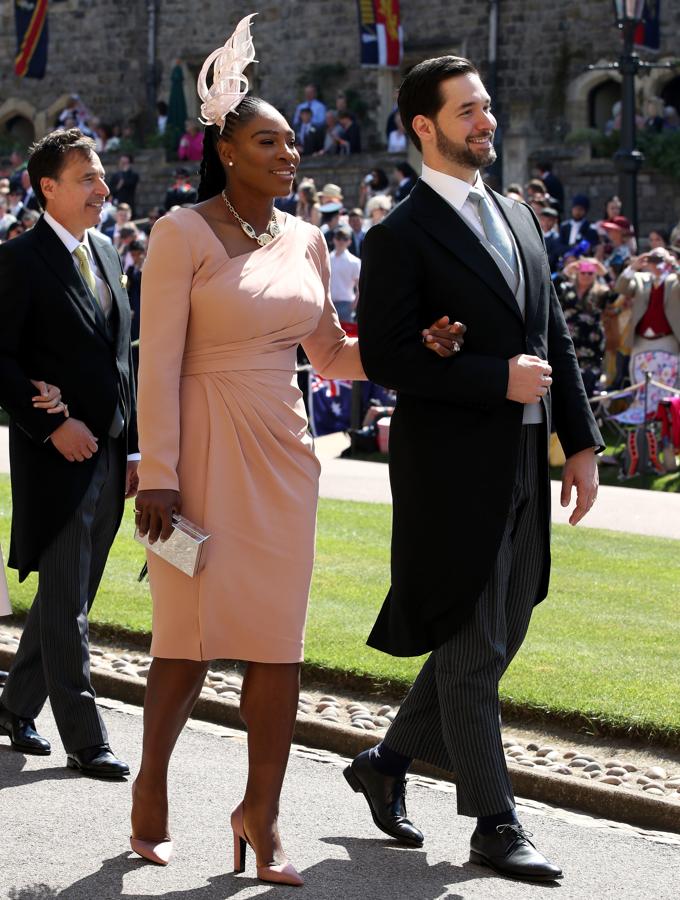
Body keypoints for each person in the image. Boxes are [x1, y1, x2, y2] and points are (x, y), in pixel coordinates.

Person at [129, 20, 460, 880]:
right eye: (268, 141)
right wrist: (156, 474)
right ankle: (150, 787)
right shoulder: (180, 234)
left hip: (284, 453)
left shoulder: (307, 239)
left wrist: (415, 346)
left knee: (279, 642)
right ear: (227, 150)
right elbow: (156, 365)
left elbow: (336, 356)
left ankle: (261, 815)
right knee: (184, 643)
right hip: (196, 455)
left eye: (291, 142)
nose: (290, 154)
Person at [347, 55, 602, 884]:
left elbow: (554, 336)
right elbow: (385, 357)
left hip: (527, 461)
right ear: (425, 126)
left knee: (497, 636)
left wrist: (584, 443)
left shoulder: (519, 215)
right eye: (468, 110)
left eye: (487, 106)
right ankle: (495, 821)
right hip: (449, 474)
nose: (485, 120)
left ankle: (387, 763)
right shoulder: (396, 235)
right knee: (472, 646)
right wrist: (493, 377)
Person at [0, 128, 138, 776]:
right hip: (54, 460)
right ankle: (86, 736)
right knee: (67, 601)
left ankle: (12, 705)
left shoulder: (107, 251)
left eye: (102, 176)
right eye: (88, 179)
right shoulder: (21, 260)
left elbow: (120, 360)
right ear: (47, 187)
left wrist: (133, 450)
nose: (103, 190)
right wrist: (46, 424)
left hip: (109, 454)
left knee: (70, 595)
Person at [556, 258, 614, 396]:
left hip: (591, 345)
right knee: (565, 381)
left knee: (588, 382)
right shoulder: (566, 289)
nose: (586, 276)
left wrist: (604, 273)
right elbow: (549, 288)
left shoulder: (601, 292)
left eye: (590, 273)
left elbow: (615, 296)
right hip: (569, 342)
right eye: (583, 272)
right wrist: (565, 272)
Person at [329, 225, 361, 322]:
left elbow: (360, 286)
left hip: (346, 303)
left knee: (345, 334)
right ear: (334, 240)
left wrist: (354, 304)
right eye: (338, 238)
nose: (341, 241)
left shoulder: (354, 261)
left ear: (349, 241)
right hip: (329, 303)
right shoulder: (327, 259)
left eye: (345, 238)